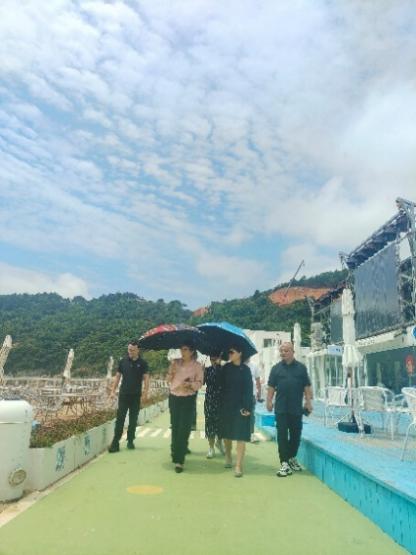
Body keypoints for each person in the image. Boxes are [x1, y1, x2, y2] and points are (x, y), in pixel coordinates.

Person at [267, 341, 313, 477]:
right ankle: (284, 463)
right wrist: (269, 401)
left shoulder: (301, 368)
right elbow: (271, 387)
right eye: (281, 351)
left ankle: (292, 457)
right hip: (281, 408)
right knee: (281, 435)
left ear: (293, 352)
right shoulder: (275, 369)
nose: (283, 353)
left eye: (286, 350)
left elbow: (306, 386)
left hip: (296, 408)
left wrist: (308, 402)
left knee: (295, 435)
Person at [167, 343, 204, 473]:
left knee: (184, 428)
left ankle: (179, 460)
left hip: (188, 398)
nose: (182, 352)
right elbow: (168, 380)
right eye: (181, 349)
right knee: (175, 426)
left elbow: (199, 383)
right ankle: (175, 451)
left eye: (185, 349)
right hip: (174, 397)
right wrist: (171, 372)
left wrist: (190, 385)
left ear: (192, 351)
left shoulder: (197, 366)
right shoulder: (175, 363)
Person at [108, 340, 150, 453]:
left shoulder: (143, 363)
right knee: (120, 418)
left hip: (136, 396)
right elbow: (117, 377)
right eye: (129, 350)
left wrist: (145, 393)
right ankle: (115, 442)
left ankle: (130, 440)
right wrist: (112, 391)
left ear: (137, 350)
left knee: (133, 419)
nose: (130, 352)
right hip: (124, 395)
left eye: (132, 350)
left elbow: (146, 378)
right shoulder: (123, 361)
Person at [219, 346, 253, 477]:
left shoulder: (246, 370)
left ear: (240, 353)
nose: (229, 354)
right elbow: (220, 385)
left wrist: (247, 407)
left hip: (241, 406)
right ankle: (228, 455)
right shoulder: (225, 368)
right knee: (227, 434)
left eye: (232, 352)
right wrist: (217, 367)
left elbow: (249, 390)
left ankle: (238, 465)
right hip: (226, 406)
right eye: (229, 352)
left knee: (241, 435)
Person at [204, 352, 224, 458]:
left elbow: (222, 381)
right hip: (210, 400)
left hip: (221, 400)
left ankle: (219, 442)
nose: (213, 361)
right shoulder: (207, 370)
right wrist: (201, 372)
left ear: (219, 358)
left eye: (215, 358)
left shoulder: (223, 370)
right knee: (210, 424)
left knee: (221, 424)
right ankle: (211, 448)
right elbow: (202, 382)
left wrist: (219, 366)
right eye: (211, 359)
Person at [247, 358, 262, 443]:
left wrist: (259, 393)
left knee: (251, 415)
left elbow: (258, 380)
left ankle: (251, 435)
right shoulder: (237, 364)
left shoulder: (254, 365)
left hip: (251, 395)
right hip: (239, 395)